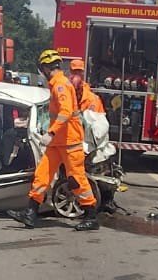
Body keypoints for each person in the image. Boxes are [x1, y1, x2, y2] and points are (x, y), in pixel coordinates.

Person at [8, 49, 100, 231]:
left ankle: (91, 216)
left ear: (44, 67)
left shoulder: (60, 85)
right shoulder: (57, 84)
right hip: (58, 142)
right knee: (42, 176)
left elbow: (66, 112)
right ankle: (31, 213)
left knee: (76, 179)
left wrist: (50, 132)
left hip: (69, 141)